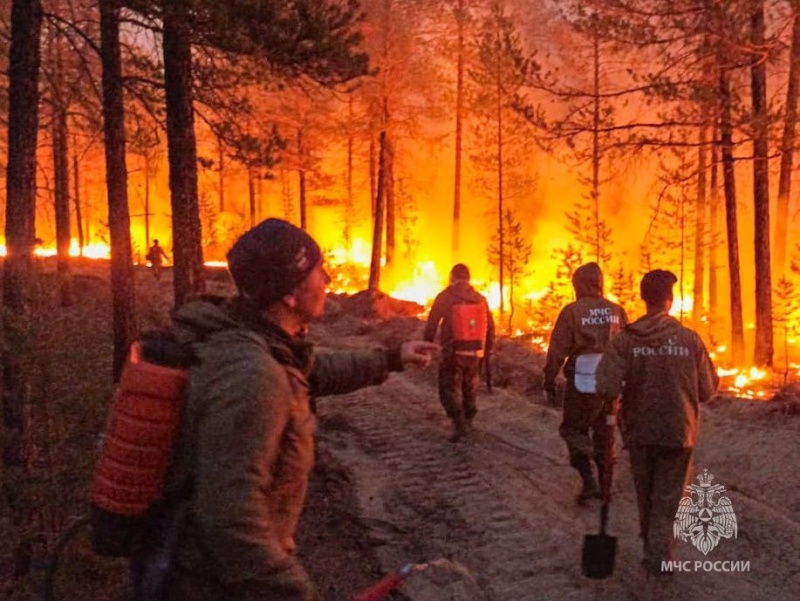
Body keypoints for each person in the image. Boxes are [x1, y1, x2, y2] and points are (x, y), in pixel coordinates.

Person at [159, 218, 438, 601]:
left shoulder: (258, 343)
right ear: (289, 293)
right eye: (317, 272)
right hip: (217, 586)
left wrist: (391, 358)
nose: (327, 280)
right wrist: (294, 592)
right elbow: (229, 519)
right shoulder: (252, 376)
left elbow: (311, 371)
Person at [595, 269, 718, 576]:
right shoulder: (690, 340)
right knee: (669, 497)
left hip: (639, 430)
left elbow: (606, 386)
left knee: (646, 492)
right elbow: (708, 390)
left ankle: (653, 548)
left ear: (643, 297)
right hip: (679, 431)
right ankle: (659, 555)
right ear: (670, 300)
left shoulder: (625, 340)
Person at [543, 262, 628, 503]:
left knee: (573, 430)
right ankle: (605, 485)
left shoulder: (572, 311)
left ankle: (589, 481)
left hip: (583, 383)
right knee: (605, 433)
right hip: (611, 385)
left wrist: (549, 377)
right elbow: (626, 346)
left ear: (579, 284)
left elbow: (558, 350)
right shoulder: (617, 310)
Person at [423, 263, 495, 442]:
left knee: (448, 388)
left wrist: (426, 346)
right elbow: (490, 327)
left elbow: (432, 323)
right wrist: (486, 352)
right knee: (469, 387)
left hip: (453, 351)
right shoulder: (480, 299)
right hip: (475, 351)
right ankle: (468, 419)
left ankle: (458, 422)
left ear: (452, 277)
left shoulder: (445, 297)